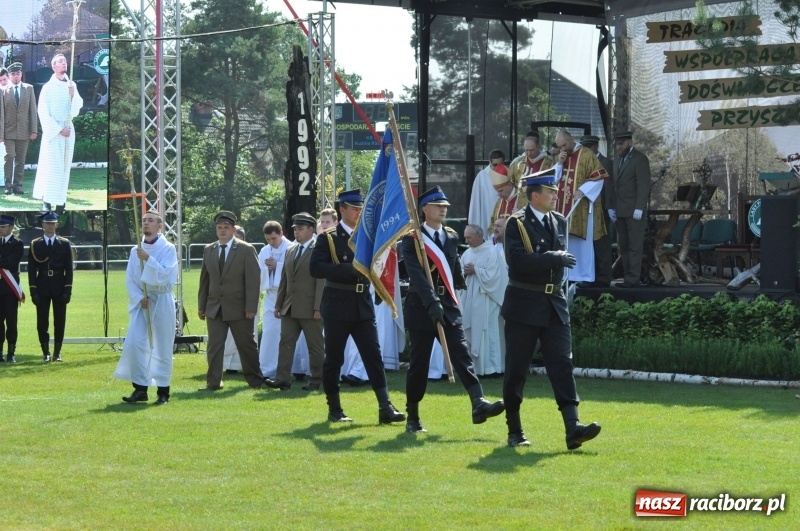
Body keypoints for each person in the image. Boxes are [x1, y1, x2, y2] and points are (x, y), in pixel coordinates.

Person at [502, 173, 601, 449]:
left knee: (562, 364)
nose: (555, 195)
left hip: (553, 304)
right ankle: (515, 430)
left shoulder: (558, 220)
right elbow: (517, 260)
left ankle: (573, 428)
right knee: (517, 369)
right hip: (524, 303)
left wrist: (553, 261)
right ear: (534, 195)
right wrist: (551, 257)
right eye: (550, 191)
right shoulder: (517, 223)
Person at [400, 186, 504, 433]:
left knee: (462, 353)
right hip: (421, 306)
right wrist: (431, 302)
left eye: (445, 205)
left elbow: (453, 264)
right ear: (425, 209)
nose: (443, 209)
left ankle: (478, 402)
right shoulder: (412, 239)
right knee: (419, 363)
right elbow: (416, 275)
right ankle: (413, 416)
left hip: (447, 303)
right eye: (438, 205)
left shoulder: (451, 235)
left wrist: (458, 283)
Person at [309, 189, 405, 424]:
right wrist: (350, 269)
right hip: (337, 303)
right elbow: (316, 268)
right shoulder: (328, 238)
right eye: (354, 208)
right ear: (342, 209)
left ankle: (385, 407)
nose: (358, 213)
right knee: (334, 359)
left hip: (362, 305)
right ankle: (334, 409)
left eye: (361, 209)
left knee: (373, 356)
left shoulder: (368, 236)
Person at [114, 211, 179, 404]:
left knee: (161, 346)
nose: (146, 223)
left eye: (150, 220)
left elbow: (166, 276)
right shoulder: (137, 249)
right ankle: (140, 388)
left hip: (161, 301)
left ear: (159, 225)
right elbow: (130, 278)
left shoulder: (168, 248)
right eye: (143, 220)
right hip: (143, 304)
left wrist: (149, 260)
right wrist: (138, 297)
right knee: (135, 344)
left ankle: (163, 391)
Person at [198, 211, 264, 390]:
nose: (222, 231)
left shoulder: (246, 249)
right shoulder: (208, 249)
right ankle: (213, 383)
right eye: (219, 228)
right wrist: (201, 306)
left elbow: (253, 281)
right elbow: (205, 280)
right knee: (214, 347)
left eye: (226, 228)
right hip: (214, 307)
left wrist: (251, 307)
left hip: (240, 308)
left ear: (233, 230)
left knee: (246, 346)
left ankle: (255, 380)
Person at [264, 212, 325, 391]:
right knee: (285, 343)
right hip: (289, 306)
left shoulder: (319, 248)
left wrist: (318, 307)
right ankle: (282, 379)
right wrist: (278, 304)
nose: (296, 232)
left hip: (310, 307)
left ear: (311, 229)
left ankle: (317, 380)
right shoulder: (291, 250)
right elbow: (285, 279)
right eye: (295, 229)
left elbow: (321, 281)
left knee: (315, 346)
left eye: (300, 229)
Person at [553, 130, 612, 287]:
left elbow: (599, 179)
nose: (563, 149)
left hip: (582, 208)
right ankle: (568, 275)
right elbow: (553, 180)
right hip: (562, 208)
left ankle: (584, 276)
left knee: (581, 244)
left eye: (564, 145)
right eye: (559, 147)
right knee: (566, 242)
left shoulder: (586, 154)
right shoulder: (561, 157)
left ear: (571, 139)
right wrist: (559, 163)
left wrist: (583, 190)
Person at [33, 54, 83, 212]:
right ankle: (47, 201)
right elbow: (42, 112)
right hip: (54, 132)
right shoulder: (48, 87)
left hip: (68, 130)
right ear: (54, 67)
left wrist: (73, 95)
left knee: (64, 166)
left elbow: (76, 109)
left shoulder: (71, 85)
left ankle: (61, 201)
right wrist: (59, 129)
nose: (64, 63)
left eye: (65, 61)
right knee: (52, 166)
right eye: (60, 62)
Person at [27, 212, 73, 362]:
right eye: (47, 223)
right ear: (42, 225)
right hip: (42, 285)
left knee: (60, 320)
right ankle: (45, 352)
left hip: (59, 285)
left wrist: (68, 290)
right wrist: (33, 291)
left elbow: (69, 269)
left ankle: (57, 352)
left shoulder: (64, 243)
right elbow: (32, 269)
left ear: (57, 225)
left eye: (53, 223)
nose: (50, 226)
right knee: (42, 321)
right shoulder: (36, 244)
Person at [461, 224, 506, 376]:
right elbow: (459, 276)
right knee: (471, 331)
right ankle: (475, 368)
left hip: (487, 299)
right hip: (470, 299)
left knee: (489, 333)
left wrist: (476, 271)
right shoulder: (466, 253)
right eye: (465, 237)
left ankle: (492, 368)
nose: (466, 241)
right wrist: (465, 273)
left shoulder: (492, 252)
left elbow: (496, 277)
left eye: (469, 237)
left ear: (479, 236)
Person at [609, 130, 652, 288]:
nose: (617, 147)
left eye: (620, 144)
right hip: (620, 210)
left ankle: (633, 279)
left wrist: (640, 207)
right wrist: (611, 207)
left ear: (629, 142)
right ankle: (628, 278)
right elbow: (614, 186)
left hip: (634, 211)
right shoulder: (617, 160)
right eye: (616, 144)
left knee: (635, 246)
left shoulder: (639, 159)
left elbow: (644, 185)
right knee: (624, 246)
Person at [257, 221, 289, 378]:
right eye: (268, 239)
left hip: (289, 295)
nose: (271, 242)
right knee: (270, 332)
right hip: (271, 295)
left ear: (281, 234)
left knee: (288, 333)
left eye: (274, 238)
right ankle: (266, 369)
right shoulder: (264, 250)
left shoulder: (291, 247)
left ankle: (295, 368)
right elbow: (258, 273)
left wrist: (278, 266)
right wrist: (267, 270)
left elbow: (296, 270)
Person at [0, 63, 38, 196]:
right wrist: (1, 133)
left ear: (21, 74)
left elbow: (32, 110)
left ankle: (18, 186)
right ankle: (8, 186)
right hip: (8, 131)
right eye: (13, 74)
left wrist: (34, 130)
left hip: (24, 131)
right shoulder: (3, 91)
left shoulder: (29, 89)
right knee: (9, 157)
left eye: (17, 73)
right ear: (9, 76)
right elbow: (1, 113)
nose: (15, 76)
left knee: (21, 160)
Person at [222, 225, 249, 373]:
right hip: (226, 300)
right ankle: (228, 365)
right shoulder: (222, 252)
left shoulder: (248, 252)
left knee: (242, 335)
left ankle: (243, 365)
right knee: (227, 336)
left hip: (243, 299)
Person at [0, 214, 23, 363]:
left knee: (11, 321)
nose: (0, 229)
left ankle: (11, 352)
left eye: (3, 226)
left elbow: (10, 264)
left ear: (11, 228)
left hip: (9, 289)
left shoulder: (17, 244)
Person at [468, 149, 505, 235]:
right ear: (489, 162)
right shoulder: (482, 176)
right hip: (487, 213)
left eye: (500, 165)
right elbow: (476, 202)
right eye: (494, 165)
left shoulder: (508, 174)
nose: (497, 168)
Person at [488, 163, 527, 233]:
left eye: (501, 191)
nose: (499, 194)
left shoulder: (524, 199)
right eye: (497, 191)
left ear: (509, 185)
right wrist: (493, 235)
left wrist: (520, 217)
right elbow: (492, 223)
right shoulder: (499, 202)